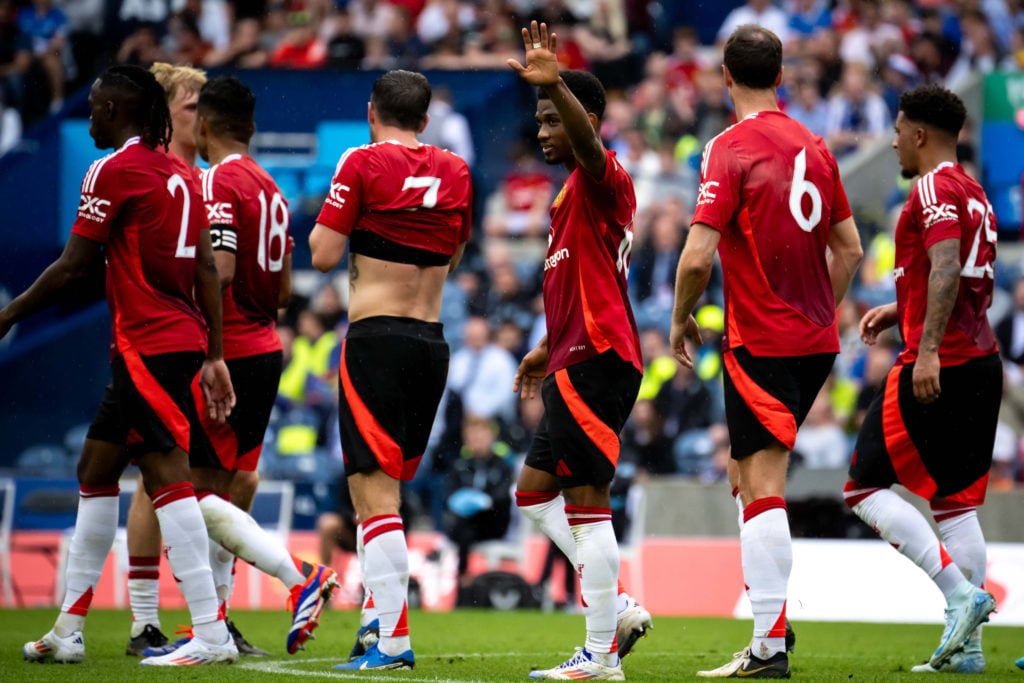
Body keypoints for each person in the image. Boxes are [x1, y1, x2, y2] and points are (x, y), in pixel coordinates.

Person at [5, 64, 238, 665]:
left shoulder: (115, 170)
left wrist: (9, 316)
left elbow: (74, 265)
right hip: (172, 339)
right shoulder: (183, 174)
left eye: (93, 107)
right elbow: (207, 270)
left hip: (149, 343)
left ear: (115, 110)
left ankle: (210, 633)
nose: (87, 118)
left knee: (166, 474)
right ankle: (68, 630)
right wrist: (212, 351)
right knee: (97, 464)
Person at [669, 25, 863, 678]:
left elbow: (697, 255)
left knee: (760, 483)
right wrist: (819, 312)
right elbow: (852, 250)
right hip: (814, 341)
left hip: (762, 338)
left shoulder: (728, 147)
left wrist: (679, 319)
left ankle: (769, 645)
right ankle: (770, 631)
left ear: (725, 77)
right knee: (743, 473)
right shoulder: (816, 144)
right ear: (781, 75)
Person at [142, 75, 338, 660]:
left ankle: (297, 575)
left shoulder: (217, 182)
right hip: (265, 348)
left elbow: (219, 270)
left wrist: (202, 338)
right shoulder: (272, 189)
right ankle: (218, 626)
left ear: (204, 126)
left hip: (224, 352)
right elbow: (281, 290)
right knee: (223, 493)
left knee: (179, 488)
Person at [308, 68, 473, 671]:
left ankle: (394, 644)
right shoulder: (456, 169)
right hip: (431, 340)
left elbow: (323, 254)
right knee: (384, 496)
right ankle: (375, 621)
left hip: (375, 337)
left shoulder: (361, 162)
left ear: (371, 111)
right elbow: (454, 252)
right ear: (426, 120)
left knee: (374, 499)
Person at [506, 21, 651, 681]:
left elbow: (590, 145)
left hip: (597, 357)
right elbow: (588, 281)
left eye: (550, 118)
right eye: (537, 119)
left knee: (588, 503)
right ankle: (613, 605)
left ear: (582, 116)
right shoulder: (568, 195)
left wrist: (555, 82)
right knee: (534, 495)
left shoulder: (601, 176)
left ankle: (598, 656)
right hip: (572, 354)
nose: (541, 131)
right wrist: (542, 347)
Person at [843, 84, 999, 674]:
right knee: (956, 507)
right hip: (981, 360)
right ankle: (970, 651)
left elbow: (945, 262)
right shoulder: (973, 189)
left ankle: (961, 595)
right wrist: (898, 307)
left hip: (942, 363)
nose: (892, 143)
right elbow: (957, 271)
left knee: (862, 488)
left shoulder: (932, 186)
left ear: (919, 135)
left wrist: (926, 346)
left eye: (898, 131)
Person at [122, 60, 212, 658]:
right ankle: (147, 620)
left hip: (191, 343)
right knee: (157, 476)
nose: (200, 117)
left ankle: (203, 617)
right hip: (151, 341)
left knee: (174, 475)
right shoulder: (148, 172)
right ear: (164, 111)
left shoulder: (193, 175)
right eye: (189, 107)